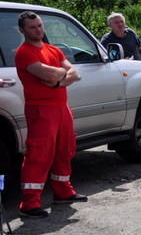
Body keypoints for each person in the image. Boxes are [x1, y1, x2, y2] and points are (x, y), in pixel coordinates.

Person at [14, 11, 88, 218]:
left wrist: (58, 82)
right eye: (32, 27)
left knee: (65, 150)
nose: (38, 30)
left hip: (62, 107)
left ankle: (63, 192)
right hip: (40, 109)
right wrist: (62, 76)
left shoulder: (53, 50)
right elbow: (51, 73)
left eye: (39, 26)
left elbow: (74, 73)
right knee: (39, 154)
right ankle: (29, 203)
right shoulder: (24, 52)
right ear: (23, 30)